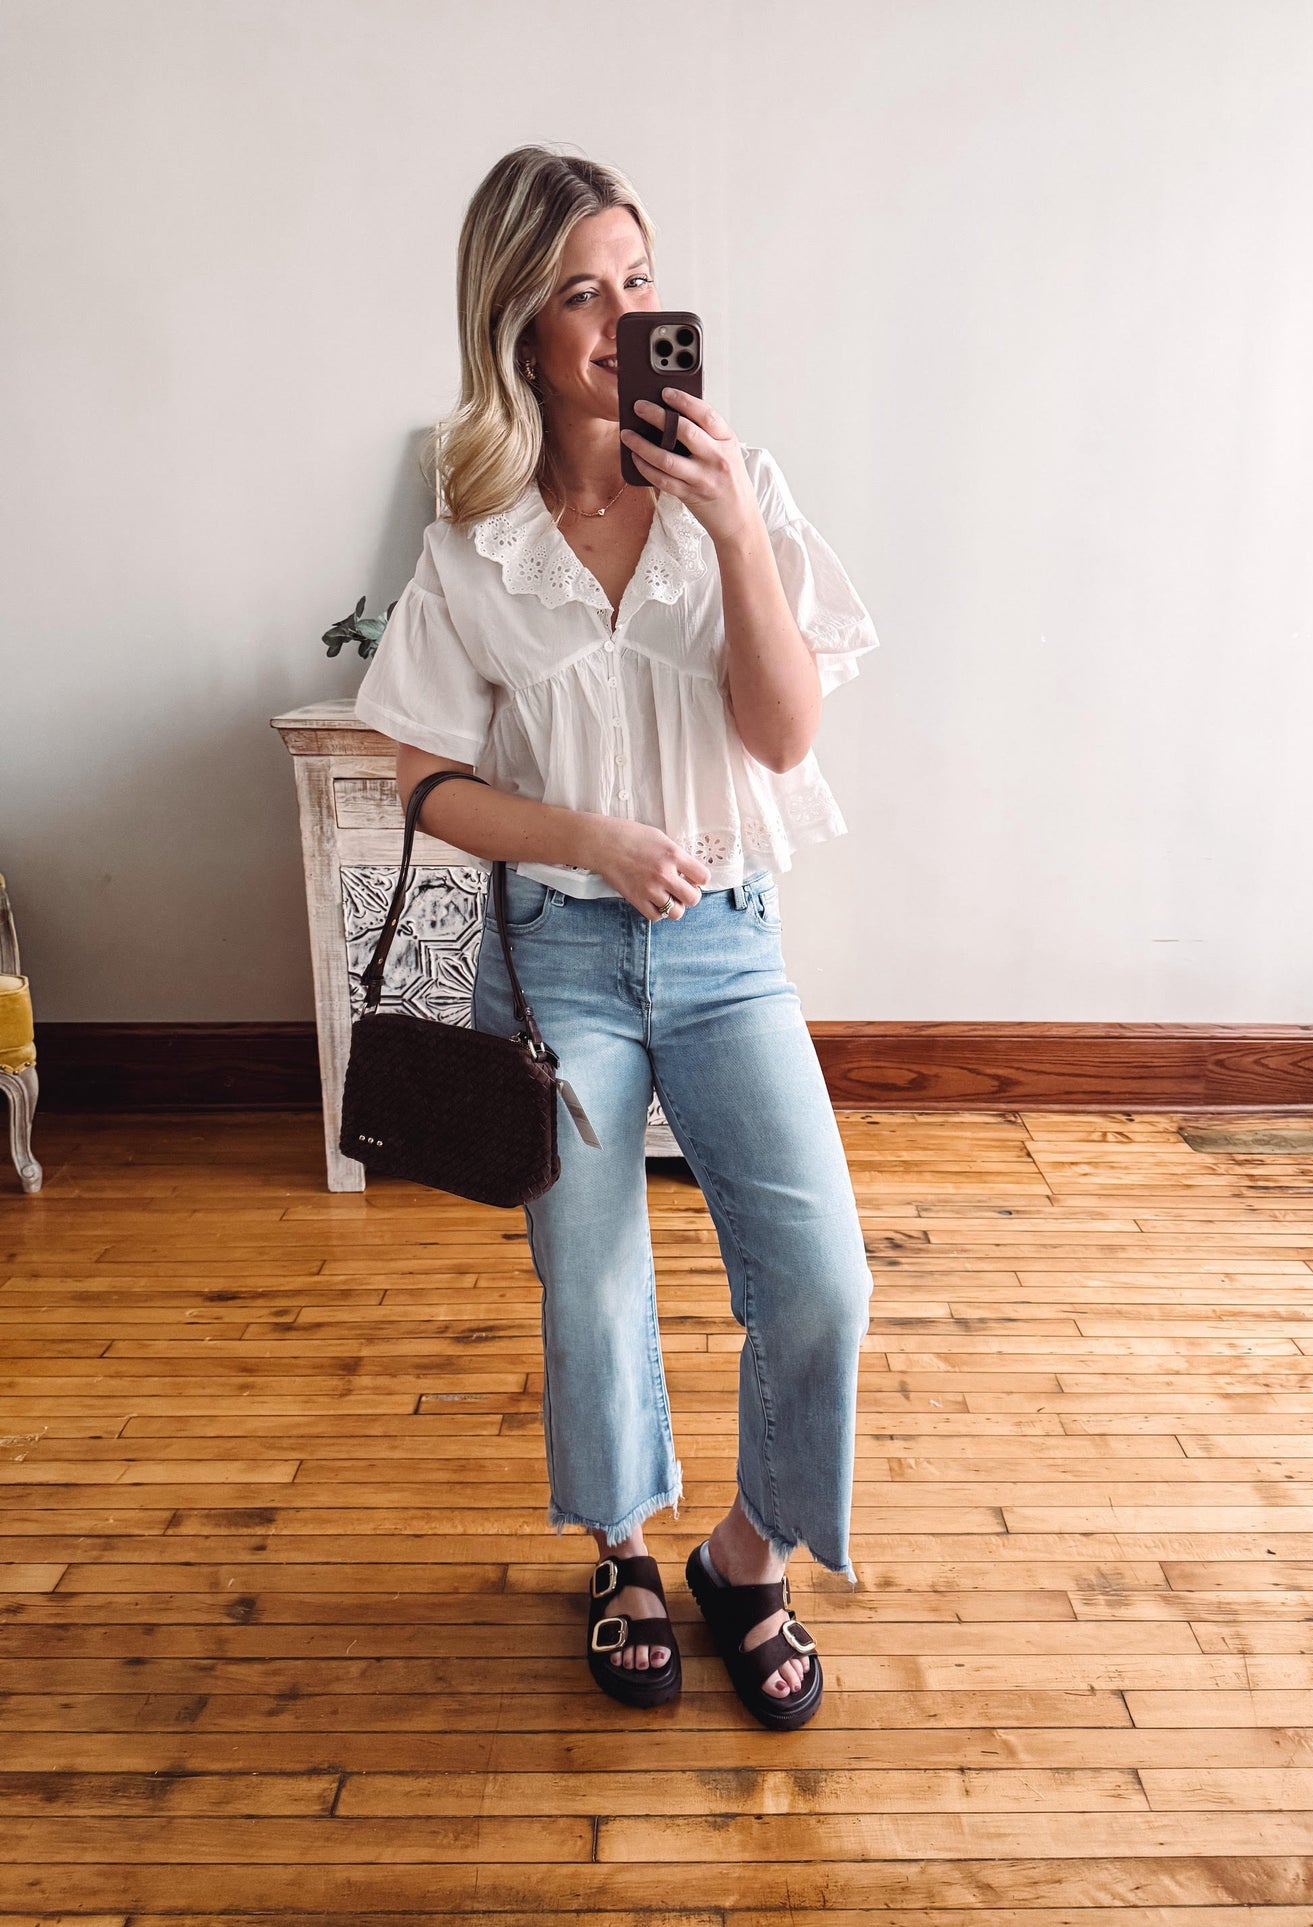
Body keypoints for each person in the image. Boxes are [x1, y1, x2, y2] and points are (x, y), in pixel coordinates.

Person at [352, 144, 879, 1730]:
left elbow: (782, 744)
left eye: (637, 279)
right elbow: (426, 783)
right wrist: (582, 835)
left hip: (726, 947)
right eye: (579, 290)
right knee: (587, 1287)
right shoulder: (475, 536)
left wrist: (727, 534)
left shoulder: (741, 484)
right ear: (518, 324)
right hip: (557, 956)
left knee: (820, 1282)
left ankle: (745, 1555)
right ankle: (623, 1555)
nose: (618, 313)